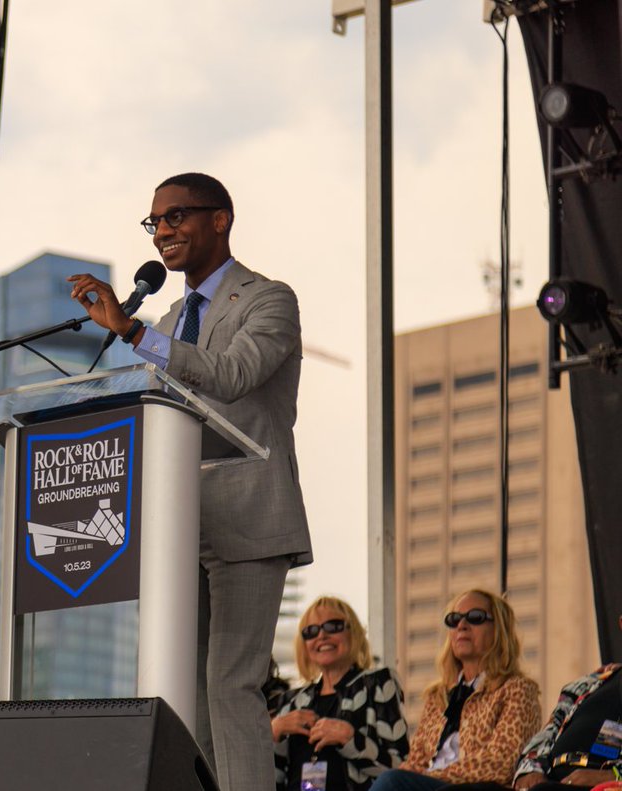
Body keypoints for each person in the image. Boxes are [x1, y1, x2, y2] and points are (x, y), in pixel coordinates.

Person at [68, 172, 312, 790]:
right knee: (187, 697)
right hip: (177, 524)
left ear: (220, 219)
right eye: (155, 222)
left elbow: (231, 375)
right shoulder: (172, 315)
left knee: (231, 684)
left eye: (176, 217)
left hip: (249, 517)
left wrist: (131, 332)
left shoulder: (268, 298)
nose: (164, 232)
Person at [368, 590, 542, 791]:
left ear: (498, 630)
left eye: (475, 617)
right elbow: (415, 760)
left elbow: (502, 763)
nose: (462, 625)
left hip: (474, 789)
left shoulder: (516, 689)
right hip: (429, 784)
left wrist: (429, 775)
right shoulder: (439, 696)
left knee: (391, 782)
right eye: (454, 619)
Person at [442, 615, 622, 791]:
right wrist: (530, 771)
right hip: (549, 779)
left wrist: (612, 775)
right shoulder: (588, 684)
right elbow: (545, 735)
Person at [272, 596, 409, 791]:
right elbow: (268, 782)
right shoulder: (291, 701)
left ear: (353, 633)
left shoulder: (377, 683)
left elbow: (400, 768)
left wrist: (350, 740)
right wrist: (273, 734)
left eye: (333, 626)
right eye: (311, 631)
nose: (321, 636)